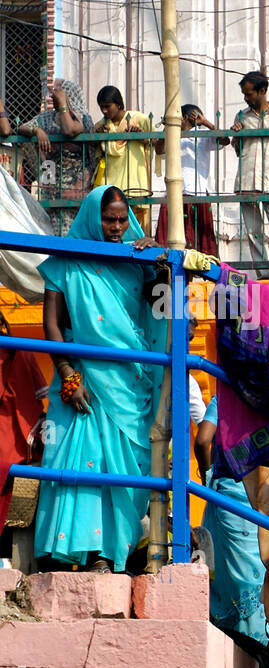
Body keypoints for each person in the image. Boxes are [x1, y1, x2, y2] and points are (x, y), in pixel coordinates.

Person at [32, 185, 164, 572]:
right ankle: (79, 552)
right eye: (109, 219)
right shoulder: (65, 262)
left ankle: (110, 553)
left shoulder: (135, 258)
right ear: (93, 217)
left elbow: (161, 306)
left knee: (122, 469)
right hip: (82, 379)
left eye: (123, 219)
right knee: (82, 460)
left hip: (128, 381)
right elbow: (51, 324)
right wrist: (68, 375)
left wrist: (159, 263)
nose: (117, 227)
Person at [194, 395, 269, 668]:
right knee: (257, 575)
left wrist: (208, 475)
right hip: (262, 498)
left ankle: (236, 646)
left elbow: (203, 441)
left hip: (227, 495)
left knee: (232, 577)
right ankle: (259, 649)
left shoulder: (224, 397)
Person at [8, 79, 95, 235]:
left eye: (57, 95)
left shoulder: (83, 119)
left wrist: (63, 104)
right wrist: (37, 131)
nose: (52, 98)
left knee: (76, 236)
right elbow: (22, 127)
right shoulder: (48, 117)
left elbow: (68, 130)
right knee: (54, 234)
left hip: (78, 192)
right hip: (52, 188)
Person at [229, 70, 269, 279]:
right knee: (254, 233)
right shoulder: (241, 116)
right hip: (247, 180)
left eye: (249, 94)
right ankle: (264, 275)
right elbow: (237, 149)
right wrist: (236, 135)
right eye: (244, 94)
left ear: (262, 91)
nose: (246, 98)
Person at [154, 104, 224, 255]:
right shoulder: (172, 135)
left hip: (197, 192)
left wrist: (206, 122)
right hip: (174, 193)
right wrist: (168, 125)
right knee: (170, 243)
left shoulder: (203, 134)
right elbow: (159, 149)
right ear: (184, 117)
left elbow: (224, 140)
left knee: (200, 243)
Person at [93, 86, 155, 234]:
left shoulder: (139, 120)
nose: (104, 111)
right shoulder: (101, 126)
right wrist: (97, 137)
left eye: (107, 107)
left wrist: (142, 137)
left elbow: (158, 145)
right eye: (101, 107)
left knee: (137, 230)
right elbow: (95, 154)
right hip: (111, 182)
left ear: (119, 104)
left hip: (135, 182)